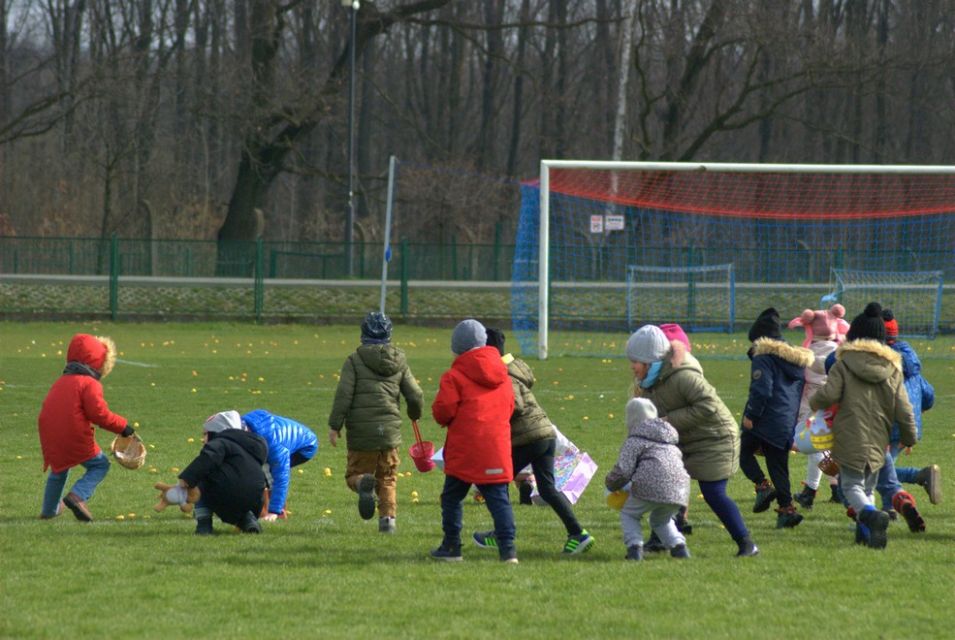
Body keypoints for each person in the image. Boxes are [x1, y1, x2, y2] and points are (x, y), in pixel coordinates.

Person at [627, 324, 759, 557]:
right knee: (663, 483)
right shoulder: (651, 384)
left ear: (650, 361)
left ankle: (747, 544)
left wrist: (668, 420)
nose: (632, 367)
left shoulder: (684, 376)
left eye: (635, 361)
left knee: (713, 493)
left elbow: (708, 406)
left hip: (715, 439)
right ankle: (660, 540)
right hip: (686, 441)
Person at [471, 328, 593, 555]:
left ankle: (501, 534)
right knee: (547, 489)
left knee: (495, 481)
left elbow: (514, 404)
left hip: (528, 437)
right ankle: (578, 534)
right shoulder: (514, 369)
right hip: (546, 433)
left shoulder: (500, 373)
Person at [809, 302, 917, 549]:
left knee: (851, 486)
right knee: (868, 485)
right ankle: (866, 536)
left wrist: (814, 402)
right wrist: (910, 436)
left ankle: (870, 515)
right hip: (880, 437)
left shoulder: (844, 363)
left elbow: (828, 394)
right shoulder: (892, 368)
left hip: (849, 435)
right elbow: (903, 407)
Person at [327, 311, 423, 534]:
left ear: (363, 334)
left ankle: (362, 483)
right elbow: (416, 394)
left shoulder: (354, 360)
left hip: (362, 433)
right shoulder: (399, 360)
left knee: (354, 474)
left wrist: (335, 425)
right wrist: (414, 413)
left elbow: (344, 395)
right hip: (389, 432)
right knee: (388, 478)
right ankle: (388, 521)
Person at [430, 319, 517, 563]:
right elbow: (510, 407)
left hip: (465, 447)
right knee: (499, 499)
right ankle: (508, 549)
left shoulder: (454, 376)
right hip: (496, 446)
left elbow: (443, 411)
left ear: (457, 347)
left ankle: (452, 546)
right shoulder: (503, 374)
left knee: (452, 497)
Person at [38, 333, 135, 522]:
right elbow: (99, 414)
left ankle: (49, 510)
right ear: (99, 360)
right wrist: (123, 427)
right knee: (100, 464)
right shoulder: (89, 384)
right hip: (73, 434)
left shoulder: (61, 381)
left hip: (49, 434)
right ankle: (77, 496)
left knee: (59, 469)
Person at [740, 308, 814, 528]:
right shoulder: (795, 360)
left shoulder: (764, 357)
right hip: (785, 420)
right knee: (778, 466)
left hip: (765, 417)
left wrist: (751, 415)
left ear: (761, 340)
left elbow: (762, 389)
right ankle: (787, 510)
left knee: (741, 451)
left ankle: (763, 487)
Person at [605, 398, 691, 561]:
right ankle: (679, 547)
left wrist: (610, 484)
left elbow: (623, 471)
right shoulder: (669, 441)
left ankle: (634, 548)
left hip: (651, 485)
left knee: (629, 514)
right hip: (680, 490)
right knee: (661, 520)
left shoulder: (635, 441)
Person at [881, 309, 940, 505]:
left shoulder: (880, 363)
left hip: (888, 425)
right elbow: (929, 394)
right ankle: (920, 477)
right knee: (881, 467)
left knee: (876, 470)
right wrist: (921, 409)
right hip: (910, 426)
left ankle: (893, 507)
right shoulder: (911, 363)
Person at [787, 305, 845, 508]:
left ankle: (811, 491)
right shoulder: (840, 351)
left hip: (812, 401)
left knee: (813, 445)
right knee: (828, 443)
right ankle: (836, 487)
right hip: (835, 402)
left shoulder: (807, 353)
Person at [176, 411, 269, 535]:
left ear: (216, 432)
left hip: (226, 495)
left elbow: (206, 460)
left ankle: (204, 525)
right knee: (238, 493)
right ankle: (248, 521)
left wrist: (186, 479)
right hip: (256, 500)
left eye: (205, 434)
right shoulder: (251, 447)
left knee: (202, 476)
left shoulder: (220, 443)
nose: (203, 440)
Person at [241, 410, 319, 521]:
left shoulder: (274, 445)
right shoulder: (243, 424)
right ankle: (265, 512)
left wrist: (274, 511)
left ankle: (276, 513)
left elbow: (281, 476)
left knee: (266, 470)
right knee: (258, 470)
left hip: (306, 447)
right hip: (282, 440)